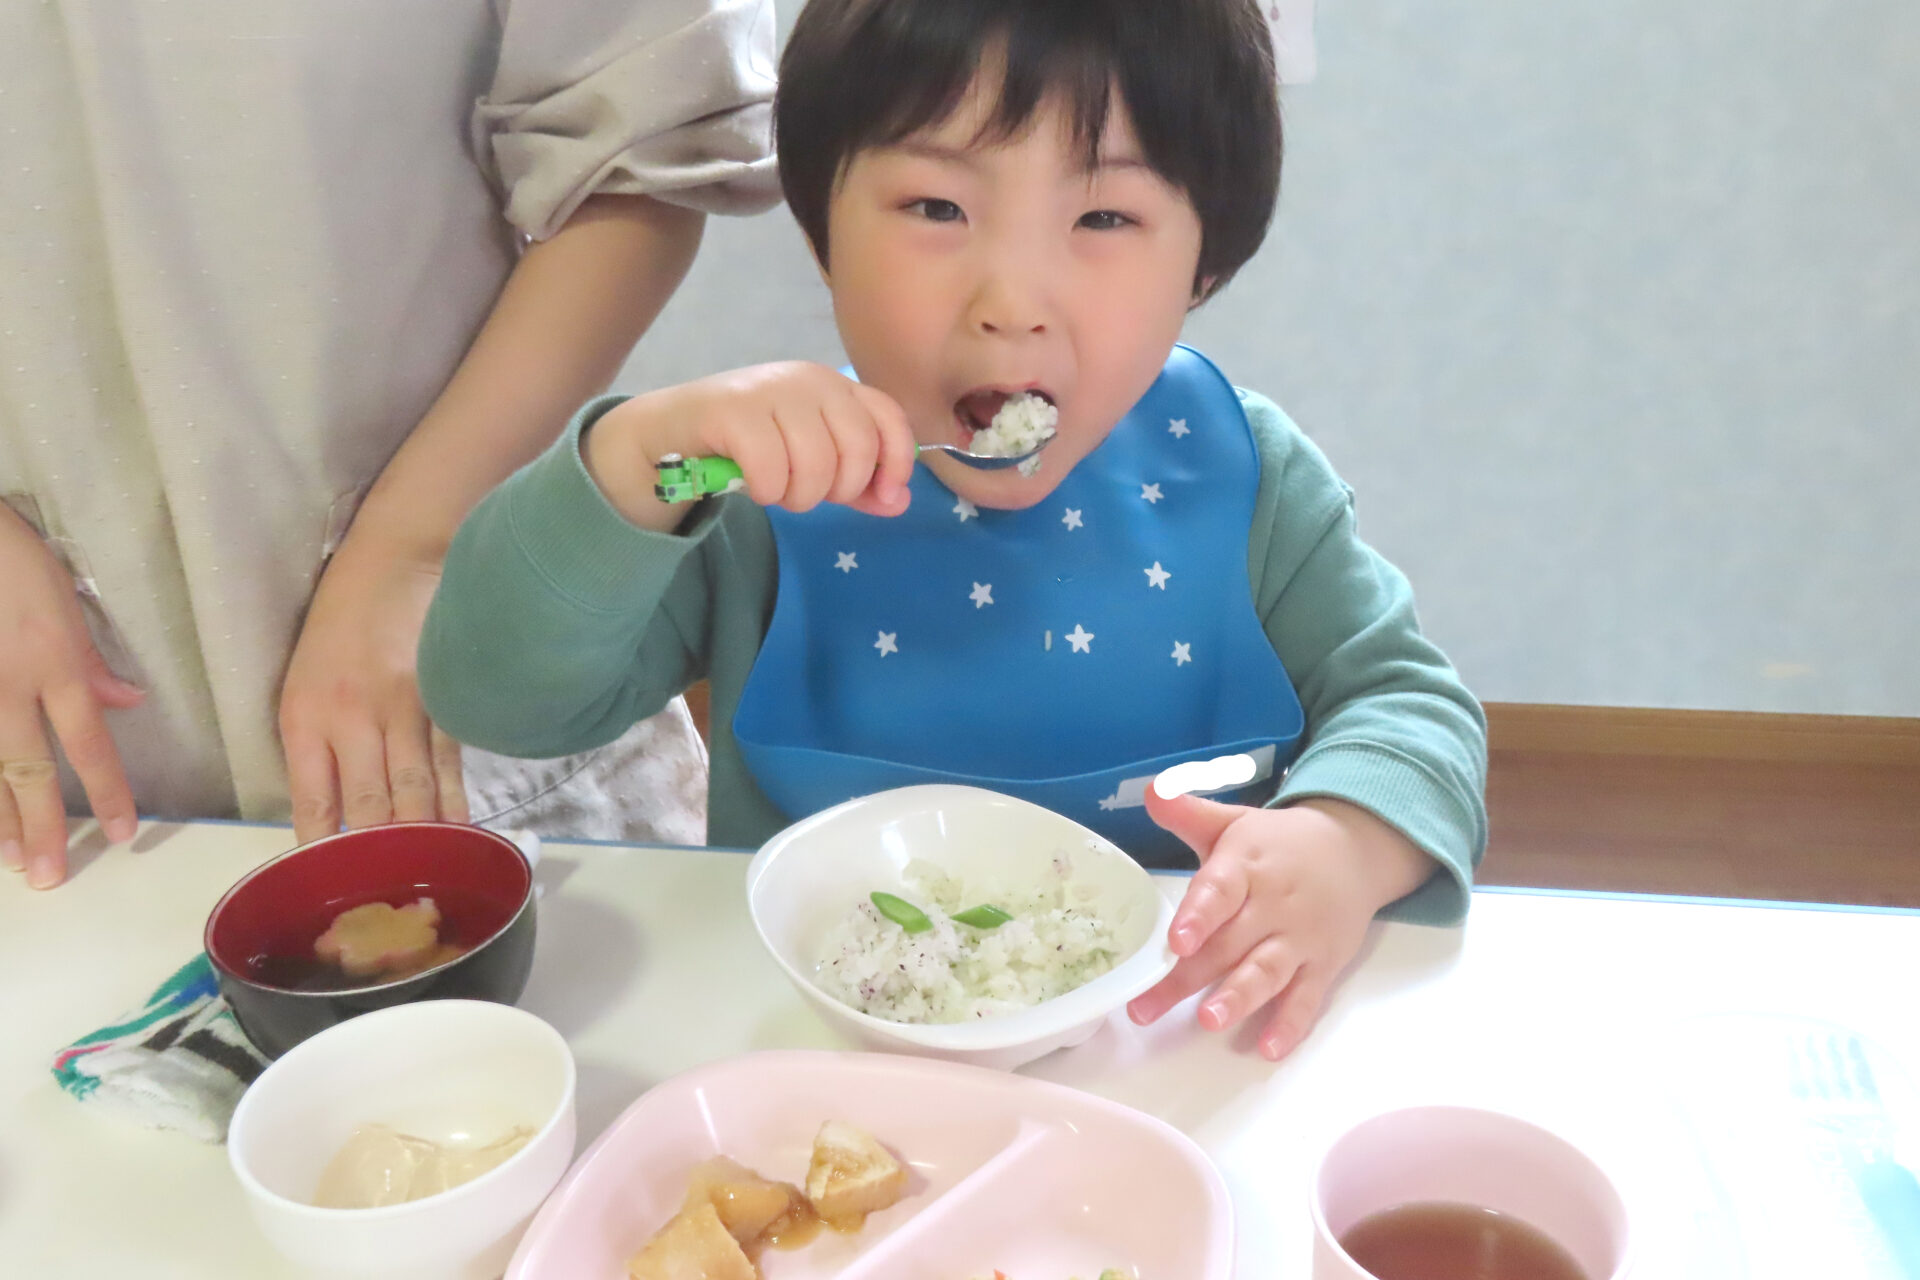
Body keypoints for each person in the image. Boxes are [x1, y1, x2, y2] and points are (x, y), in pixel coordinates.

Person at [419, 0, 1488, 1061]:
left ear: (1204, 262)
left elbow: (1410, 706)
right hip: (814, 1066)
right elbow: (498, 694)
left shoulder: (1247, 480)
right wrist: (634, 461)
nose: (1010, 300)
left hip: (1166, 1057)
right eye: (936, 207)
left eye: (1104, 219)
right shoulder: (749, 486)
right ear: (818, 231)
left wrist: (1345, 840)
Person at [0, 0, 783, 889]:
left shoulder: (750, 491)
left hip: (441, 655)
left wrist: (412, 543)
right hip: (58, 765)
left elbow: (646, 156)